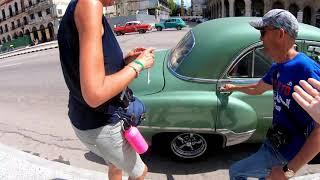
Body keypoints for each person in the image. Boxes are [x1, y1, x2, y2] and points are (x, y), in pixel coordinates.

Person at [57, 0, 155, 180]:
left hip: (85, 117)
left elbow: (89, 68)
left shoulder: (80, 6)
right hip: (101, 123)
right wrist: (139, 65)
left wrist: (125, 61)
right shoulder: (90, 5)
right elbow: (95, 93)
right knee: (140, 173)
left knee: (115, 166)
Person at [223, 9, 320, 180]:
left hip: (287, 152)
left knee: (236, 172)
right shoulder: (277, 67)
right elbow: (258, 88)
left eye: (263, 32)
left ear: (280, 34)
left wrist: (288, 171)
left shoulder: (305, 70)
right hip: (273, 143)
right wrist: (234, 87)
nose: (260, 39)